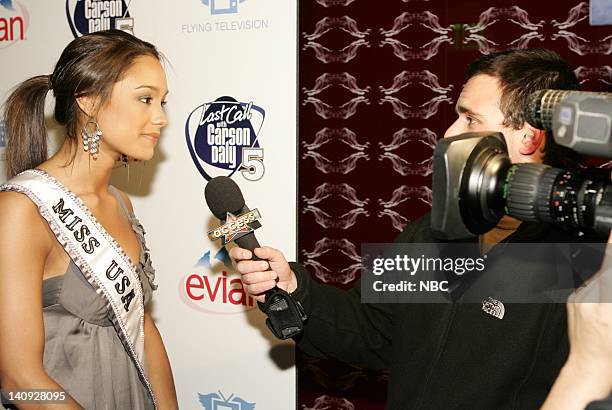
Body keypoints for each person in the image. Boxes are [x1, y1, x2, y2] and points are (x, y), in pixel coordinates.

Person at [230, 48, 607, 409]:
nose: (449, 132)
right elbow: (371, 329)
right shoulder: (432, 232)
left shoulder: (588, 257)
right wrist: (294, 288)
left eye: (471, 118)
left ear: (529, 135)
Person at [0, 30, 177, 409]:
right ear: (89, 102)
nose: (160, 117)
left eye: (162, 102)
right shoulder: (21, 209)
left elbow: (141, 326)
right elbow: (18, 379)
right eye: (145, 99)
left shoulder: (121, 203)